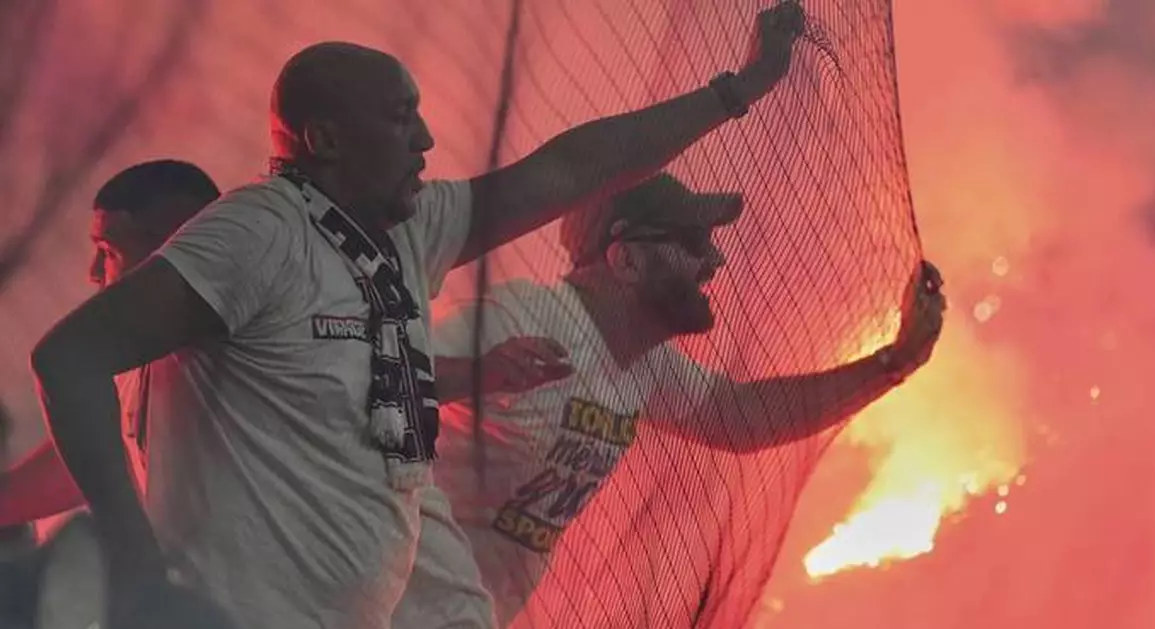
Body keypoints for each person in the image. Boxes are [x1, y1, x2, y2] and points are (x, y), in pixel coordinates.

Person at [28, 3, 810, 628]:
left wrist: (737, 91)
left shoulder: (408, 228)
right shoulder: (261, 232)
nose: (426, 138)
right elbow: (69, 359)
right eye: (402, 118)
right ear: (325, 139)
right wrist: (135, 566)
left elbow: (568, 170)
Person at [409, 172, 947, 625]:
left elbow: (738, 416)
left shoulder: (646, 364)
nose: (714, 260)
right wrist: (481, 371)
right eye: (690, 242)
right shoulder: (524, 317)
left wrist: (894, 364)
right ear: (626, 260)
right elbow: (389, 377)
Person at [0, 160, 222, 629]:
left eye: (109, 249)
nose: (94, 272)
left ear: (174, 244)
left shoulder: (227, 358)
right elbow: (87, 456)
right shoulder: (139, 362)